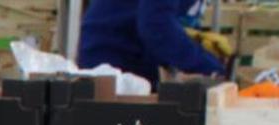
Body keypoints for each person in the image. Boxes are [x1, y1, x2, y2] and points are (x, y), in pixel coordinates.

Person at [77, 0, 225, 86]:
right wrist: (209, 67)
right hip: (113, 66)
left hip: (134, 59)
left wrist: (193, 39)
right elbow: (156, 25)